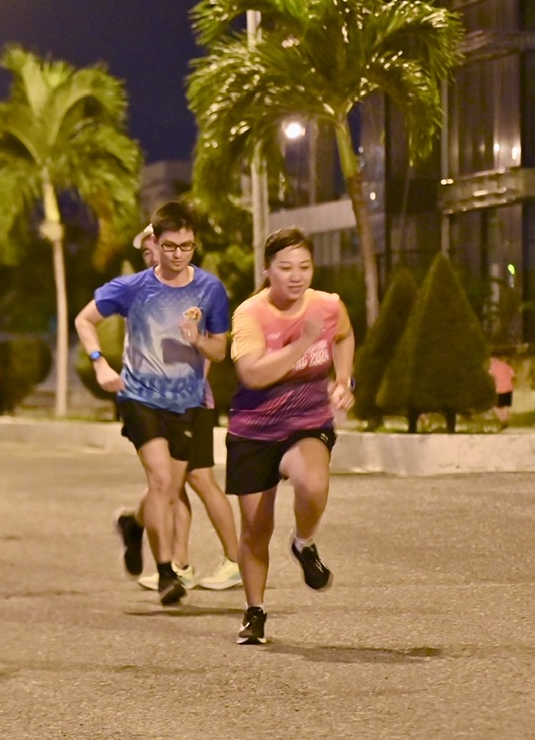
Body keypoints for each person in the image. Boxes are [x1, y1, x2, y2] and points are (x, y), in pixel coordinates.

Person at [74, 201, 231, 606]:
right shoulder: (133, 287)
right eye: (170, 246)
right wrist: (99, 364)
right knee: (162, 480)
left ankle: (133, 523)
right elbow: (84, 320)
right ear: (155, 244)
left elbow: (220, 351)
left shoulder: (210, 289)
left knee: (169, 485)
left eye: (187, 246)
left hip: (187, 402)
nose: (178, 254)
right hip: (139, 396)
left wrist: (198, 340)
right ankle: (166, 573)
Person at [226, 227, 355, 644]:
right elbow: (252, 373)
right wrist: (301, 342)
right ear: (267, 270)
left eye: (304, 266)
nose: (296, 276)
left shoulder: (327, 305)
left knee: (313, 483)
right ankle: (255, 611)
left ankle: (304, 543)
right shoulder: (250, 314)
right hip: (254, 428)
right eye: (285, 268)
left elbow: (344, 334)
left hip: (307, 421)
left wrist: (344, 379)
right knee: (256, 527)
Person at [128, 225, 241, 593]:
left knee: (197, 481)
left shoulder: (199, 295)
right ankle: (179, 563)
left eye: (155, 250)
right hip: (165, 404)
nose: (154, 257)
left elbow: (208, 353)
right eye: (148, 252)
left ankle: (234, 560)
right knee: (173, 486)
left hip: (193, 404)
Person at [489, 357, 515, 429]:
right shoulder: (506, 366)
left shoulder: (493, 367)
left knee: (495, 406)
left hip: (499, 389)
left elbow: (490, 376)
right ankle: (506, 420)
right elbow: (513, 375)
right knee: (506, 406)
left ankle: (503, 421)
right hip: (509, 388)